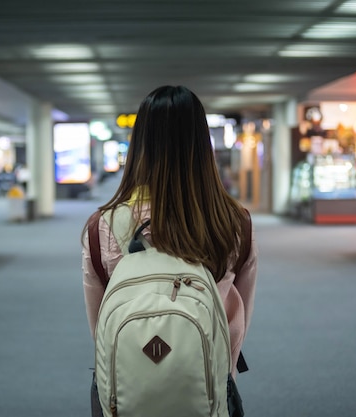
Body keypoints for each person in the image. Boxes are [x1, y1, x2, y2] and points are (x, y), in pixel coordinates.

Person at [81, 85, 258, 410]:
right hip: (206, 391)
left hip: (128, 391)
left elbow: (101, 326)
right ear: (203, 145)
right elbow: (237, 322)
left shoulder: (103, 226)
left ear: (139, 145)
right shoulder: (234, 223)